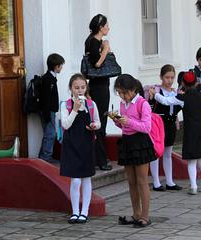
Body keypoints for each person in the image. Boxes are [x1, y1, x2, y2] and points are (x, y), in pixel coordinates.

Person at [153, 71, 201, 195]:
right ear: (195, 82)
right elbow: (198, 90)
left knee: (191, 161)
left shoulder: (182, 98)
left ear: (183, 83)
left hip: (190, 132)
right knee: (200, 159)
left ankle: (193, 187)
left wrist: (156, 93)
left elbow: (165, 101)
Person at [113, 74, 156, 228]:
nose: (122, 96)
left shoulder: (142, 103)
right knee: (131, 181)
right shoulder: (122, 104)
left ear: (132, 89)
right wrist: (117, 121)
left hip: (140, 143)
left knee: (142, 181)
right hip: (127, 142)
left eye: (124, 92)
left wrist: (128, 121)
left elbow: (146, 127)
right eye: (119, 92)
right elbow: (125, 126)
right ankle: (136, 213)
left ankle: (145, 216)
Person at [60, 74, 101, 224]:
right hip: (71, 145)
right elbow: (65, 124)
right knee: (75, 180)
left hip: (86, 143)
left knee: (86, 178)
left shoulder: (91, 104)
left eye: (82, 87)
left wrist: (94, 126)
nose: (80, 90)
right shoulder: (66, 105)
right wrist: (75, 110)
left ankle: (85, 211)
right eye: (76, 88)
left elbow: (98, 122)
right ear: (71, 89)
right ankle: (75, 211)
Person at [84, 14, 112, 171]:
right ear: (100, 27)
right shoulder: (93, 42)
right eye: (106, 25)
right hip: (99, 86)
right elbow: (97, 64)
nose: (108, 28)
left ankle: (99, 157)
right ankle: (101, 160)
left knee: (101, 119)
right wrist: (106, 48)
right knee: (100, 120)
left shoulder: (95, 41)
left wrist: (105, 46)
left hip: (100, 85)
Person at [148, 65, 182, 191]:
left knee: (168, 153)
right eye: (167, 77)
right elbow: (151, 106)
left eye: (172, 77)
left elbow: (177, 108)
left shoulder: (174, 92)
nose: (169, 80)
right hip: (158, 125)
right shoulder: (156, 91)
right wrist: (152, 97)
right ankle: (156, 182)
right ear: (161, 77)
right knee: (157, 153)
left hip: (170, 124)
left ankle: (170, 181)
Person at [38, 53, 65, 163]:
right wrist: (48, 115)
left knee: (48, 134)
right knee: (50, 134)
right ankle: (46, 158)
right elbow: (46, 98)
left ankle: (42, 158)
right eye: (61, 65)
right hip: (47, 112)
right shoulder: (48, 79)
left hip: (49, 111)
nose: (62, 68)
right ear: (56, 66)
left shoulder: (51, 78)